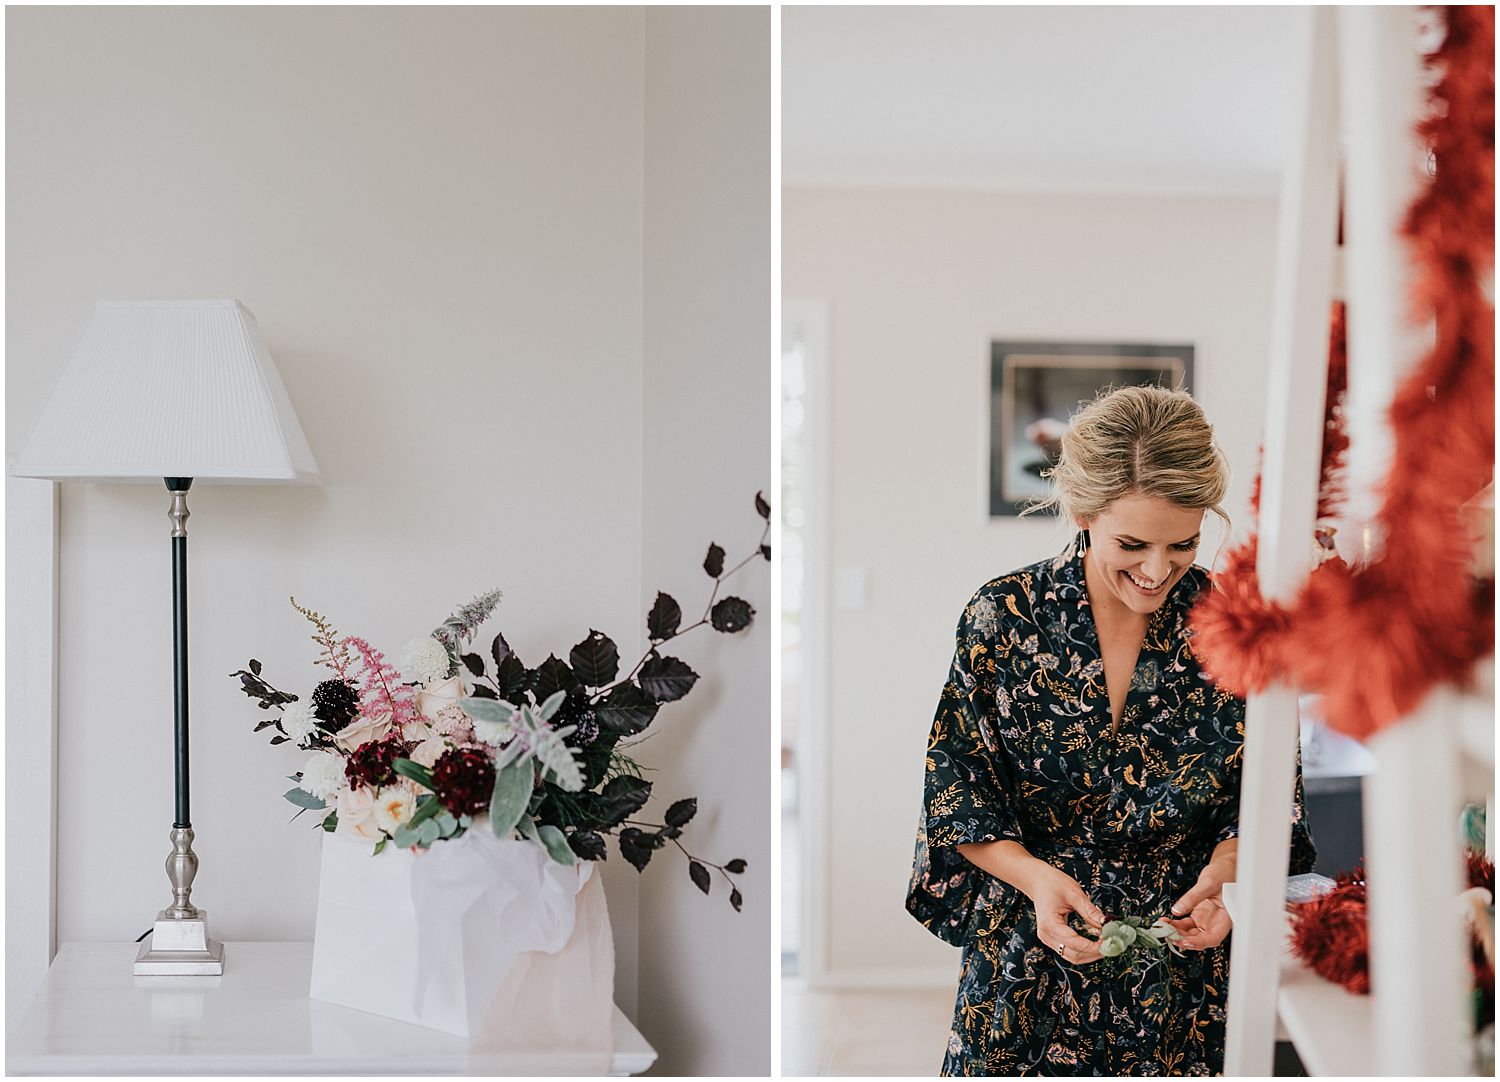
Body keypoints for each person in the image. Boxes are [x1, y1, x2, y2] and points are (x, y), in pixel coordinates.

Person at [906, 384, 1316, 1076]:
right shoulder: (1002, 619)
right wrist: (1035, 880)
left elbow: (1271, 800)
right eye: (1133, 543)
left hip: (1181, 973)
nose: (1158, 571)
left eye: (1182, 543)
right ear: (1083, 510)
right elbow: (958, 793)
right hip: (1027, 966)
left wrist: (1224, 881)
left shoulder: (1233, 626)